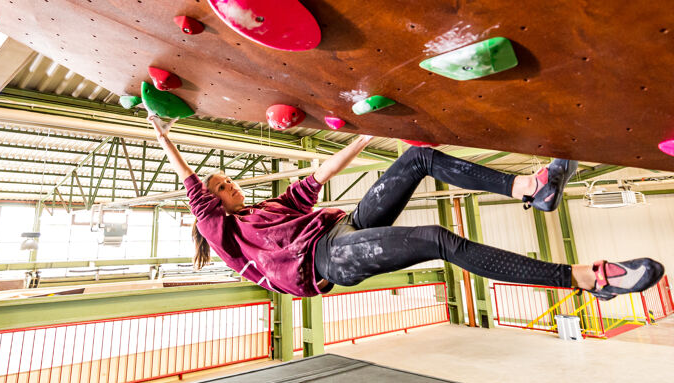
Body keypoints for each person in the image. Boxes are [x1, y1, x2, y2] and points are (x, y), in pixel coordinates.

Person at [149, 116, 664, 300]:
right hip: (326, 262)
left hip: (342, 227)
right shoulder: (221, 231)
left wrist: (365, 134)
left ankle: (531, 188)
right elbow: (188, 180)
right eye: (219, 186)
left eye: (225, 179)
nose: (228, 185)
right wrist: (160, 133)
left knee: (416, 156)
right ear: (211, 203)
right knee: (437, 239)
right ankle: (581, 277)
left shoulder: (265, 210)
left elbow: (318, 177)